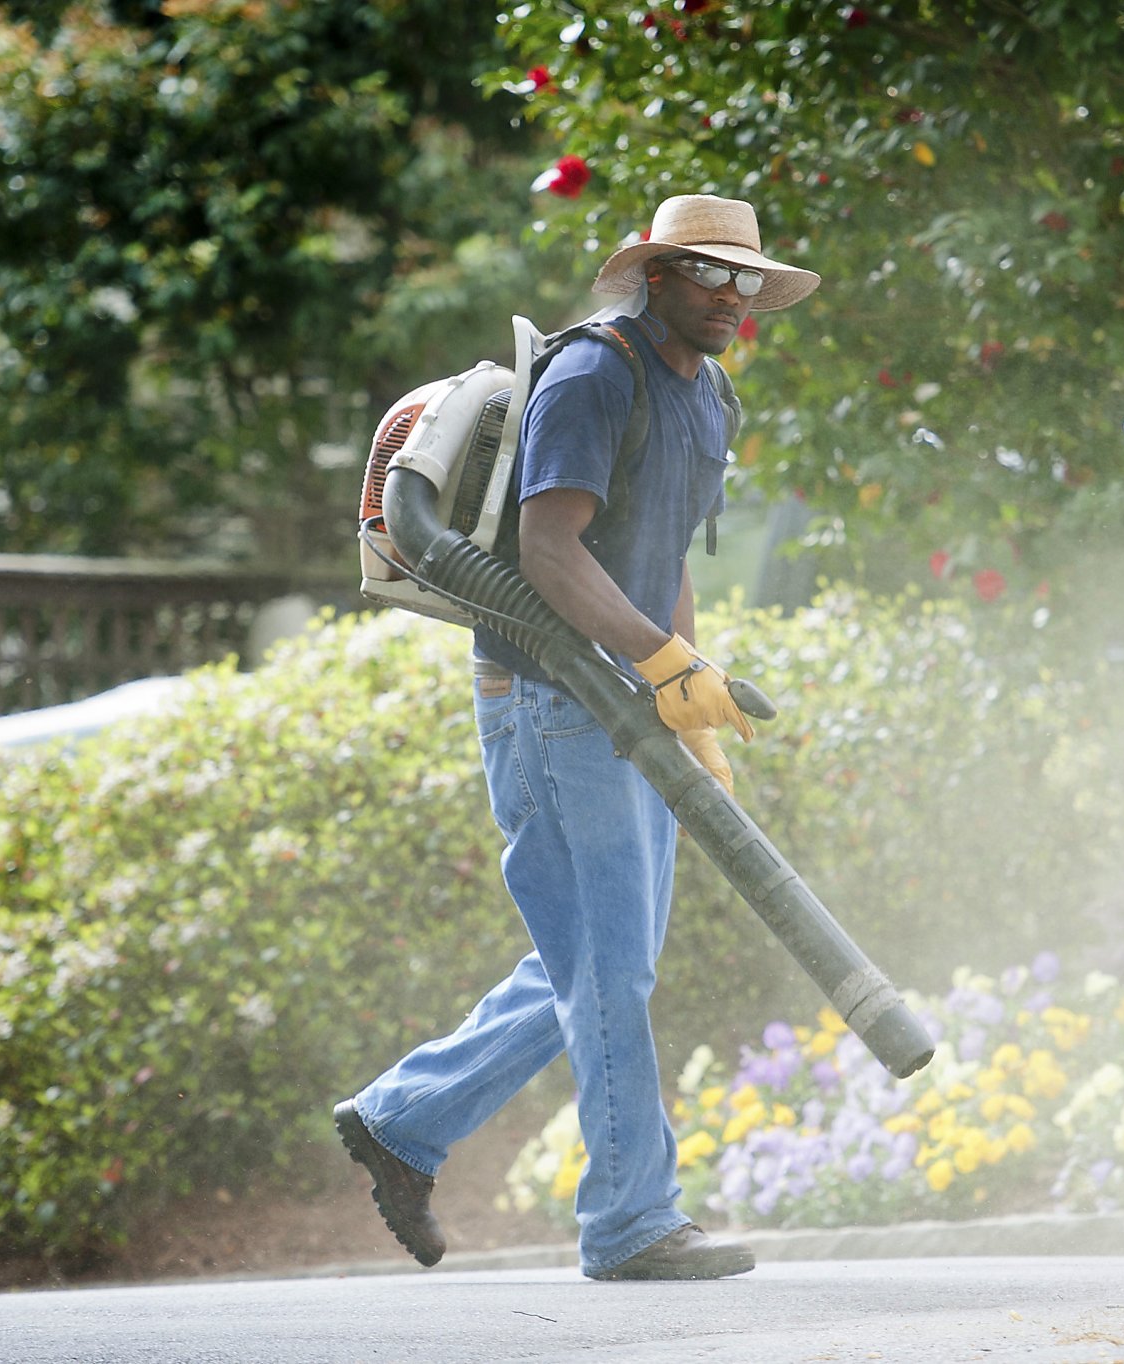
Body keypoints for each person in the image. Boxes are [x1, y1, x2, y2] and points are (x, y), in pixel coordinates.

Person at [331, 195, 819, 1282]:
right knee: (605, 966)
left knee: (607, 960)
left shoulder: (711, 393)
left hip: (628, 697)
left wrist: (690, 699)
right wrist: (657, 664)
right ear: (653, 276)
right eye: (708, 275)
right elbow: (550, 551)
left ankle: (401, 1118)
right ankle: (631, 1219)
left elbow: (667, 553)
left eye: (745, 280)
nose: (732, 298)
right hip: (550, 697)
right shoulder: (598, 374)